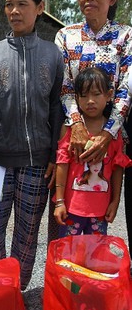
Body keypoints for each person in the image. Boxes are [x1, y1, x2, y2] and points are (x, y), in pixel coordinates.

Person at [0, 0, 64, 290]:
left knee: (27, 234)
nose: (14, 11)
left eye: (22, 4)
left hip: (37, 162)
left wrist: (53, 155)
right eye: (9, 4)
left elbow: (56, 108)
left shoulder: (53, 55)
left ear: (40, 8)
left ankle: (16, 292)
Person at [53, 0, 132, 248]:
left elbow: (126, 88)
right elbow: (64, 86)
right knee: (68, 215)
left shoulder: (125, 36)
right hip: (74, 136)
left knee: (99, 219)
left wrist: (108, 134)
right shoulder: (66, 36)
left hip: (113, 135)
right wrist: (76, 125)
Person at [54, 67, 131, 237]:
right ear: (76, 98)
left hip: (100, 212)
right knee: (68, 250)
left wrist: (115, 201)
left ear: (109, 95)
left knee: (95, 251)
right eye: (84, 95)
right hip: (71, 209)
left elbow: (118, 168)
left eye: (96, 94)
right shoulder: (69, 130)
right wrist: (59, 201)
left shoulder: (113, 133)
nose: (90, 101)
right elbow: (62, 163)